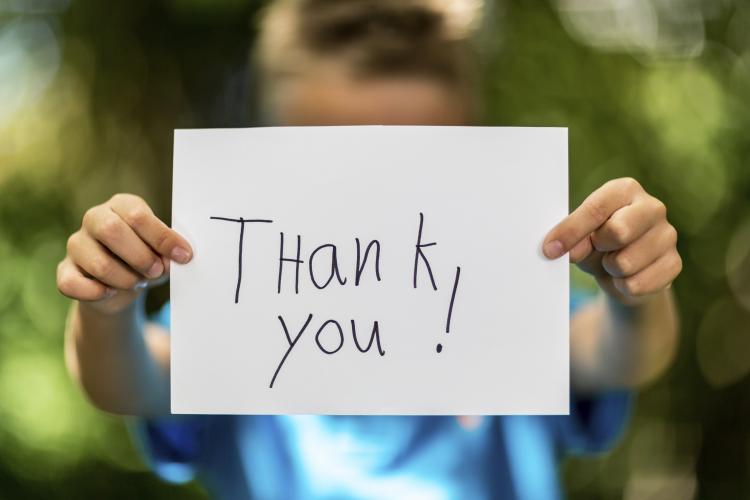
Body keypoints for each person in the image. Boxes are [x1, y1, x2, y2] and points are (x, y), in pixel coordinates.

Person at [56, 0, 682, 498]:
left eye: (410, 160)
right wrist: (107, 308)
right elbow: (129, 380)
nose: (371, 195)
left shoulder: (504, 307)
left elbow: (618, 353)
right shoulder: (239, 314)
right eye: (333, 159)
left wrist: (632, 292)